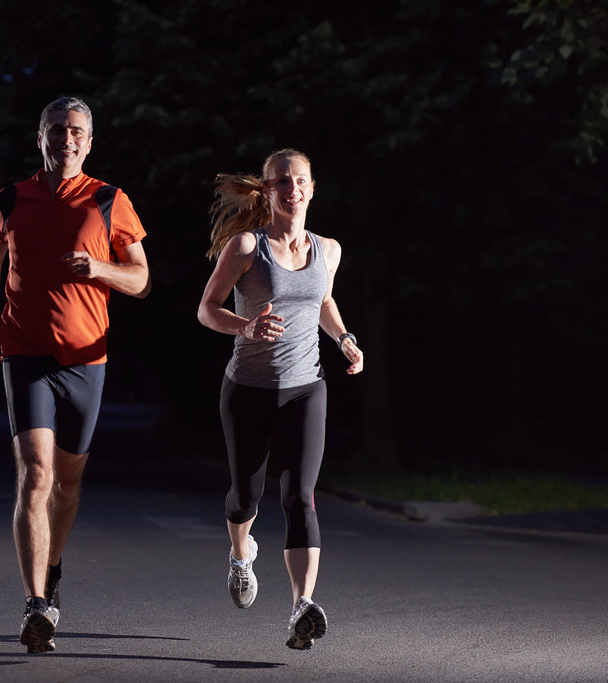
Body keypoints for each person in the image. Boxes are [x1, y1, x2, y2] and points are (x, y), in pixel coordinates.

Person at [0, 96, 151, 654]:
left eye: (75, 131)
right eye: (56, 129)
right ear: (40, 137)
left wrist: (99, 268)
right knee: (36, 474)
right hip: (23, 351)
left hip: (86, 359)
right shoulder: (11, 198)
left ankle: (54, 567)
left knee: (67, 483)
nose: (65, 138)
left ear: (88, 143)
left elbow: (141, 279)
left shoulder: (109, 200)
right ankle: (36, 603)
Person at [197, 148, 363, 651]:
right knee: (246, 496)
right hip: (248, 389)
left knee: (300, 497)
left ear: (312, 189)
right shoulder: (247, 246)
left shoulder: (328, 250)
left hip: (306, 387)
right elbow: (207, 308)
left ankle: (301, 608)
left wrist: (343, 338)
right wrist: (245, 326)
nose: (292, 189)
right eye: (282, 182)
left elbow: (323, 299)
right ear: (267, 191)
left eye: (300, 181)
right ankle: (241, 554)